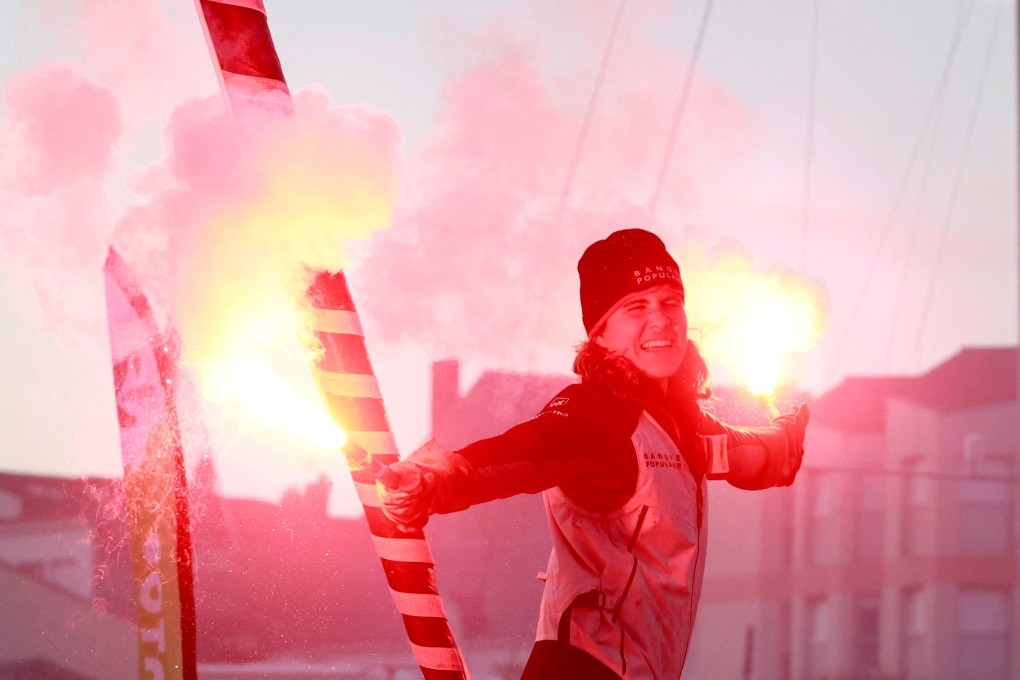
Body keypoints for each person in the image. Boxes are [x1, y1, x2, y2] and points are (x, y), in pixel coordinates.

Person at [381, 228, 809, 680]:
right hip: (584, 666)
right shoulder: (597, 413)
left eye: (669, 301)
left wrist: (781, 445)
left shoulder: (680, 425)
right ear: (601, 335)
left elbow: (739, 452)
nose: (660, 319)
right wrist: (437, 478)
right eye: (635, 307)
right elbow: (527, 451)